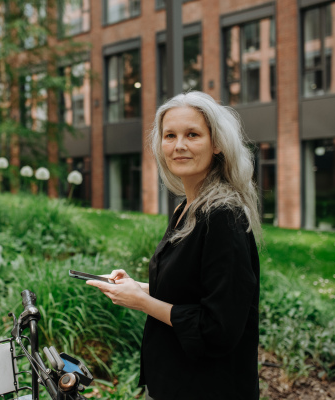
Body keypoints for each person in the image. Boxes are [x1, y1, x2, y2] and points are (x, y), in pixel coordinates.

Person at [86, 91, 261, 400]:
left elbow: (217, 329)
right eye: (170, 135)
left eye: (192, 134)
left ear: (216, 144)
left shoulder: (223, 216)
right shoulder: (186, 207)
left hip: (208, 388)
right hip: (175, 378)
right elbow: (189, 293)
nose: (178, 145)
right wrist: (137, 287)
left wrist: (141, 302)